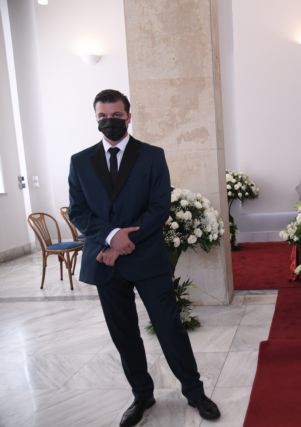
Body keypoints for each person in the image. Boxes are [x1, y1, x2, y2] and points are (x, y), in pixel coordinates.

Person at [68, 89, 221, 426]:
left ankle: (194, 392)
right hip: (105, 262)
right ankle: (142, 395)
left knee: (169, 327)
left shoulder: (152, 156)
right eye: (103, 116)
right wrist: (111, 237)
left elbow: (159, 206)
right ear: (95, 118)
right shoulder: (80, 161)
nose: (109, 121)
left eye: (116, 115)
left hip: (146, 258)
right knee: (124, 334)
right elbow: (78, 211)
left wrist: (124, 241)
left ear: (129, 116)